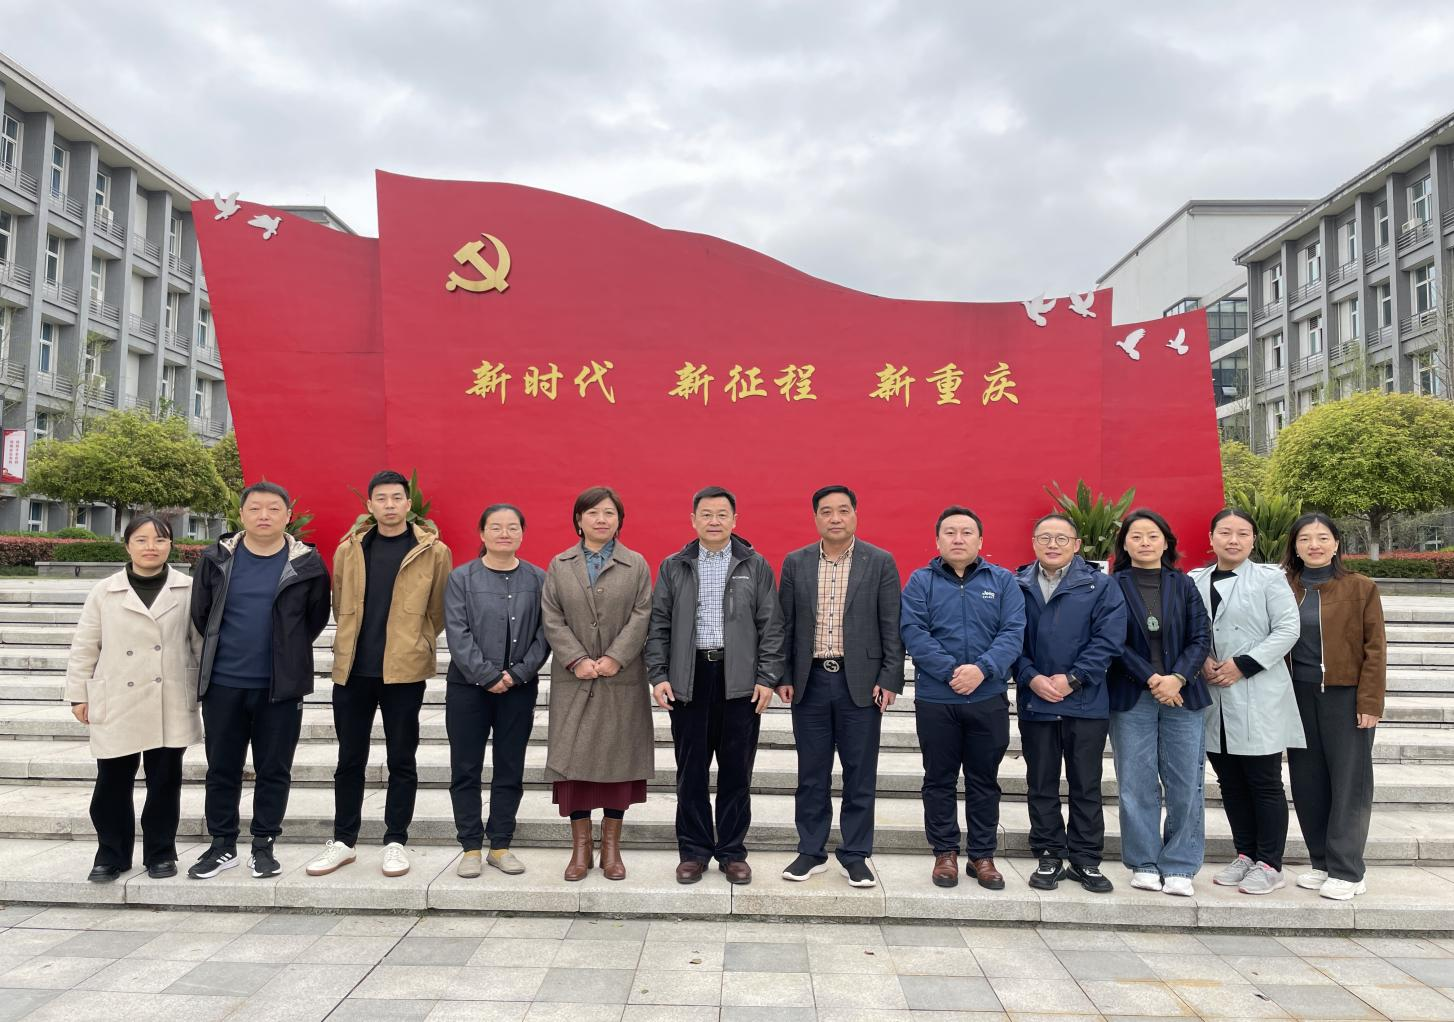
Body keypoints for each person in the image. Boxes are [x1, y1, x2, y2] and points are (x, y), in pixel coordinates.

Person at [306, 470, 452, 880]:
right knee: (349, 758)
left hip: (404, 672)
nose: (389, 505)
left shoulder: (433, 551)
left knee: (402, 758)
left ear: (408, 503)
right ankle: (343, 841)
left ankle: (395, 841)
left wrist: (416, 641)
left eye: (396, 498)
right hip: (354, 670)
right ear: (369, 505)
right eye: (381, 498)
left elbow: (437, 611)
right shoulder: (349, 548)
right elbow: (340, 604)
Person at [189, 482, 331, 879]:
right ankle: (222, 845)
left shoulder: (308, 564)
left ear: (288, 515)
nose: (263, 515)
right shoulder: (216, 559)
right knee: (222, 768)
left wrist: (286, 654)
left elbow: (314, 619)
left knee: (274, 769)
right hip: (224, 684)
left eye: (273, 508)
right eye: (255, 508)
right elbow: (201, 614)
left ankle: (264, 845)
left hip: (279, 687)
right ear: (241, 515)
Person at [645, 485, 785, 886]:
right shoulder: (674, 566)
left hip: (739, 682)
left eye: (722, 514)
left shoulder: (754, 565)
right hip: (690, 679)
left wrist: (767, 678)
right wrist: (659, 674)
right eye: (706, 514)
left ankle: (732, 852)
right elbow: (659, 624)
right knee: (690, 772)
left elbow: (771, 625)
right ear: (693, 520)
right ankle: (693, 851)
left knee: (736, 772)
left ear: (735, 520)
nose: (714, 521)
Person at [776, 485, 903, 888]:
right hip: (810, 681)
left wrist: (889, 677)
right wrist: (783, 675)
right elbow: (785, 625)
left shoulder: (879, 561)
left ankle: (855, 854)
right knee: (811, 773)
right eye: (826, 511)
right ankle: (811, 851)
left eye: (843, 510)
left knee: (859, 773)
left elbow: (891, 625)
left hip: (861, 683)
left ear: (855, 515)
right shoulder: (796, 562)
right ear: (815, 517)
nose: (835, 518)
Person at [65, 515, 201, 882]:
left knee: (165, 782)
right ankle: (111, 854)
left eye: (160, 540)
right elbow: (85, 645)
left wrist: (205, 690)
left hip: (169, 695)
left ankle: (161, 852)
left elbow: (199, 643)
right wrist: (78, 694)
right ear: (127, 545)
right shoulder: (105, 591)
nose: (150, 547)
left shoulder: (188, 589)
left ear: (171, 545)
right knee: (111, 781)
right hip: (117, 697)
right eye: (141, 540)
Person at [901, 505, 1026, 891]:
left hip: (987, 698)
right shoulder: (920, 581)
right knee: (938, 779)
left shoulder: (1003, 581)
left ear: (980, 540)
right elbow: (913, 631)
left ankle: (982, 856)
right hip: (937, 700)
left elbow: (1013, 631)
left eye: (967, 532)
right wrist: (952, 672)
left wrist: (982, 669)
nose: (958, 539)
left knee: (984, 780)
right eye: (950, 532)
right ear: (937, 540)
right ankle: (945, 852)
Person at [541, 486, 654, 881]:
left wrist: (615, 657)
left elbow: (642, 614)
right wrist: (576, 659)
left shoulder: (636, 564)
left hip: (620, 678)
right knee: (574, 765)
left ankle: (610, 850)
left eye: (609, 513)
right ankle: (580, 850)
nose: (601, 519)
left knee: (617, 764)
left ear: (619, 519)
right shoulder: (560, 565)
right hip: (574, 679)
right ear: (579, 519)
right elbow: (551, 616)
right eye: (592, 513)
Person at [1191, 508, 1303, 896]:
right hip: (1213, 692)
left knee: (1263, 780)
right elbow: (1189, 629)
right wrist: (1201, 660)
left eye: (1242, 533)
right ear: (1211, 538)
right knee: (1230, 781)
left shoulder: (1270, 579)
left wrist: (1243, 664)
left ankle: (1270, 863)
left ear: (1254, 540)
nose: (1233, 539)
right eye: (1225, 532)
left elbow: (1288, 629)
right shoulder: (1195, 580)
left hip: (1258, 690)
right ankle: (1245, 854)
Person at [1013, 513, 1127, 894]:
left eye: (1062, 538)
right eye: (1044, 537)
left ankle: (1086, 859)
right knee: (1041, 782)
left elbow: (1109, 639)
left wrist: (1074, 678)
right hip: (1037, 700)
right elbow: (1009, 637)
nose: (1053, 544)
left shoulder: (1101, 586)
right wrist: (1031, 676)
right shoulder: (1017, 584)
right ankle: (1048, 854)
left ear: (1077, 545)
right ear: (1033, 543)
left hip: (1086, 702)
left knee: (1086, 784)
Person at [1107, 509, 1211, 898]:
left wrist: (1177, 677)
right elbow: (1111, 640)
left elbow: (1201, 637)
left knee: (1186, 783)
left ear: (1166, 542)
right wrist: (1152, 678)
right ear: (1125, 544)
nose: (1145, 542)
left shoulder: (1183, 585)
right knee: (1136, 783)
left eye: (1153, 536)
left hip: (1183, 695)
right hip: (1132, 695)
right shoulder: (1111, 586)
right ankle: (1144, 862)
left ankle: (1181, 864)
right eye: (1136, 536)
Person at [1283, 513, 1386, 900]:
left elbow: (1376, 649)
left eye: (1322, 537)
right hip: (1297, 695)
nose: (1314, 545)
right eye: (1305, 539)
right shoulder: (1284, 587)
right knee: (1307, 782)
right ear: (1295, 546)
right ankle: (1322, 862)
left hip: (1345, 696)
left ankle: (1348, 870)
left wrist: (1370, 701)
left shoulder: (1360, 587)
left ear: (1336, 543)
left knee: (1348, 783)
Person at [444, 504, 549, 878]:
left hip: (518, 689)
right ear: (482, 533)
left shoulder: (538, 578)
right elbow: (457, 632)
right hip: (468, 688)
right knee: (466, 768)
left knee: (510, 767)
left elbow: (545, 633)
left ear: (522, 533)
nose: (505, 533)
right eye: (496, 527)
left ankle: (500, 845)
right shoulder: (461, 578)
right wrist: (487, 675)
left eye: (512, 527)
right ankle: (471, 847)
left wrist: (518, 674)